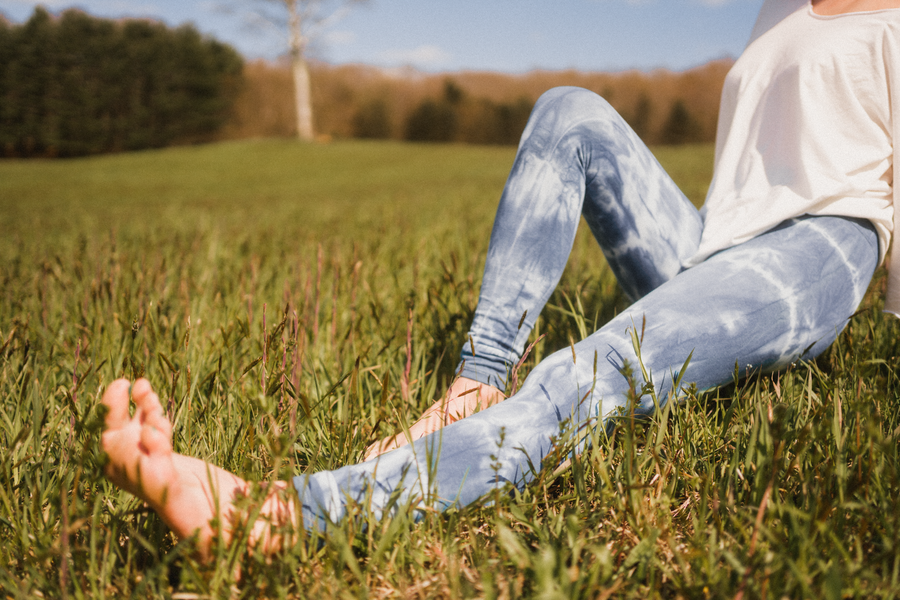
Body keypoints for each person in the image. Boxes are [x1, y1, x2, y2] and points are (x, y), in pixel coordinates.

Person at [102, 0, 900, 555]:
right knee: (568, 109)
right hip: (719, 240)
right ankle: (477, 385)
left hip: (821, 248)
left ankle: (283, 515)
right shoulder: (782, 9)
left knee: (592, 367)